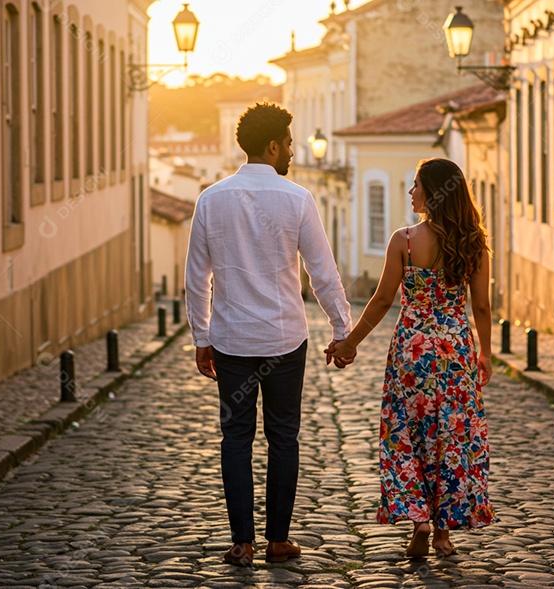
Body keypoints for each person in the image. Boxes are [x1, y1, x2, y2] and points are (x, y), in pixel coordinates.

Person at [184, 102, 353, 567]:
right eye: (289, 143)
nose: (293, 152)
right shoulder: (297, 199)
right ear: (274, 145)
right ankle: (278, 540)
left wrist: (202, 337)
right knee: (284, 437)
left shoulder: (211, 198)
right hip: (283, 341)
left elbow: (196, 277)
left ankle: (242, 542)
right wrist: (343, 331)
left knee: (235, 438)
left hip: (232, 340)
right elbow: (322, 272)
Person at [327, 157, 497, 558]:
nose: (411, 192)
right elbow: (483, 307)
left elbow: (383, 299)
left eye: (416, 184)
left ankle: (419, 516)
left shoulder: (403, 240)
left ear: (434, 192)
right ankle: (442, 533)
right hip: (455, 350)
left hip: (412, 351)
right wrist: (485, 354)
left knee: (408, 433)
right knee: (451, 437)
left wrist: (350, 343)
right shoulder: (474, 244)